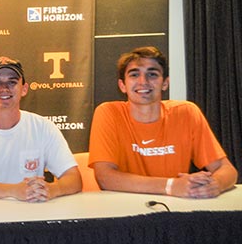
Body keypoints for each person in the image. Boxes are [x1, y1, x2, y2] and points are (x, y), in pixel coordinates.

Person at [88, 46, 237, 197]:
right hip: (124, 209)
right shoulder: (109, 113)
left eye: (152, 74)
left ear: (165, 83)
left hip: (174, 209)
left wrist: (215, 185)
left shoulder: (186, 112)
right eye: (134, 75)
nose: (143, 81)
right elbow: (105, 178)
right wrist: (170, 186)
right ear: (122, 85)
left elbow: (227, 170)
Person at [0, 56, 82, 201]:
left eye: (12, 82)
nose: (4, 89)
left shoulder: (43, 127)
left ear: (24, 89)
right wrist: (14, 190)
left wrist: (52, 189)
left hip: (30, 217)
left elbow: (74, 178)